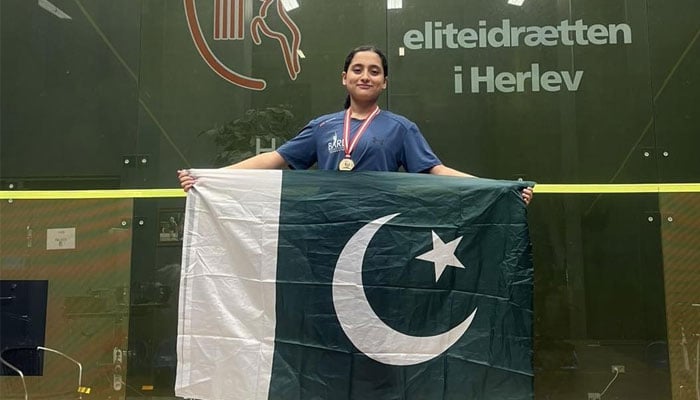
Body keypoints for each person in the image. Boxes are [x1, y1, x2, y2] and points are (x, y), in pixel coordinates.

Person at [178, 45, 533, 205]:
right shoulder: (322, 126)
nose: (365, 76)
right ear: (344, 78)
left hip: (380, 227)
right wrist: (211, 176)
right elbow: (276, 159)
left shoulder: (400, 128)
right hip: (327, 224)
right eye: (358, 69)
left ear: (384, 83)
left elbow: (435, 171)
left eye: (374, 71)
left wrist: (500, 189)